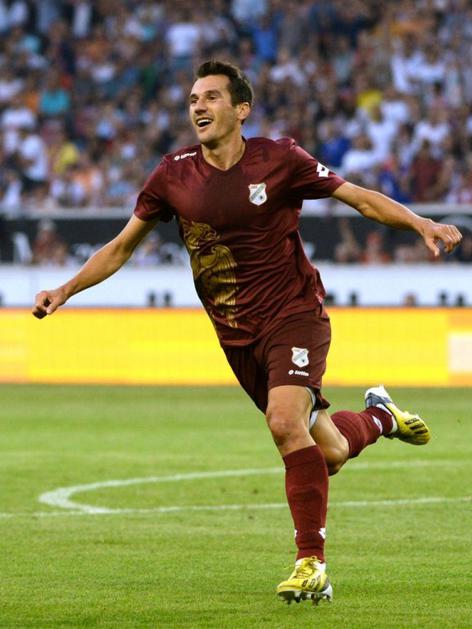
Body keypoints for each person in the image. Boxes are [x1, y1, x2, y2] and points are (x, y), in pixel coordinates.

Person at [32, 60, 462, 605]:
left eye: (211, 97)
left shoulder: (279, 159)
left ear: (241, 110)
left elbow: (357, 197)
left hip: (294, 313)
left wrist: (421, 223)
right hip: (236, 335)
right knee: (327, 452)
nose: (198, 106)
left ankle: (312, 564)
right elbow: (121, 247)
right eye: (193, 99)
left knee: (284, 422)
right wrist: (66, 289)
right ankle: (381, 415)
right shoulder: (172, 175)